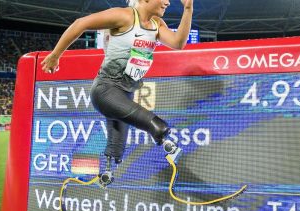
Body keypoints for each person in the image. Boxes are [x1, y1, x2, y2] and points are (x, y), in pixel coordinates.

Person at [41, 0, 193, 186]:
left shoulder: (157, 25)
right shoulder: (124, 16)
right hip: (105, 91)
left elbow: (178, 43)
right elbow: (80, 23)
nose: (168, 2)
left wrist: (188, 8)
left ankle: (103, 179)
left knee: (116, 152)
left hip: (125, 94)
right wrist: (56, 55)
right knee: (157, 126)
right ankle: (170, 148)